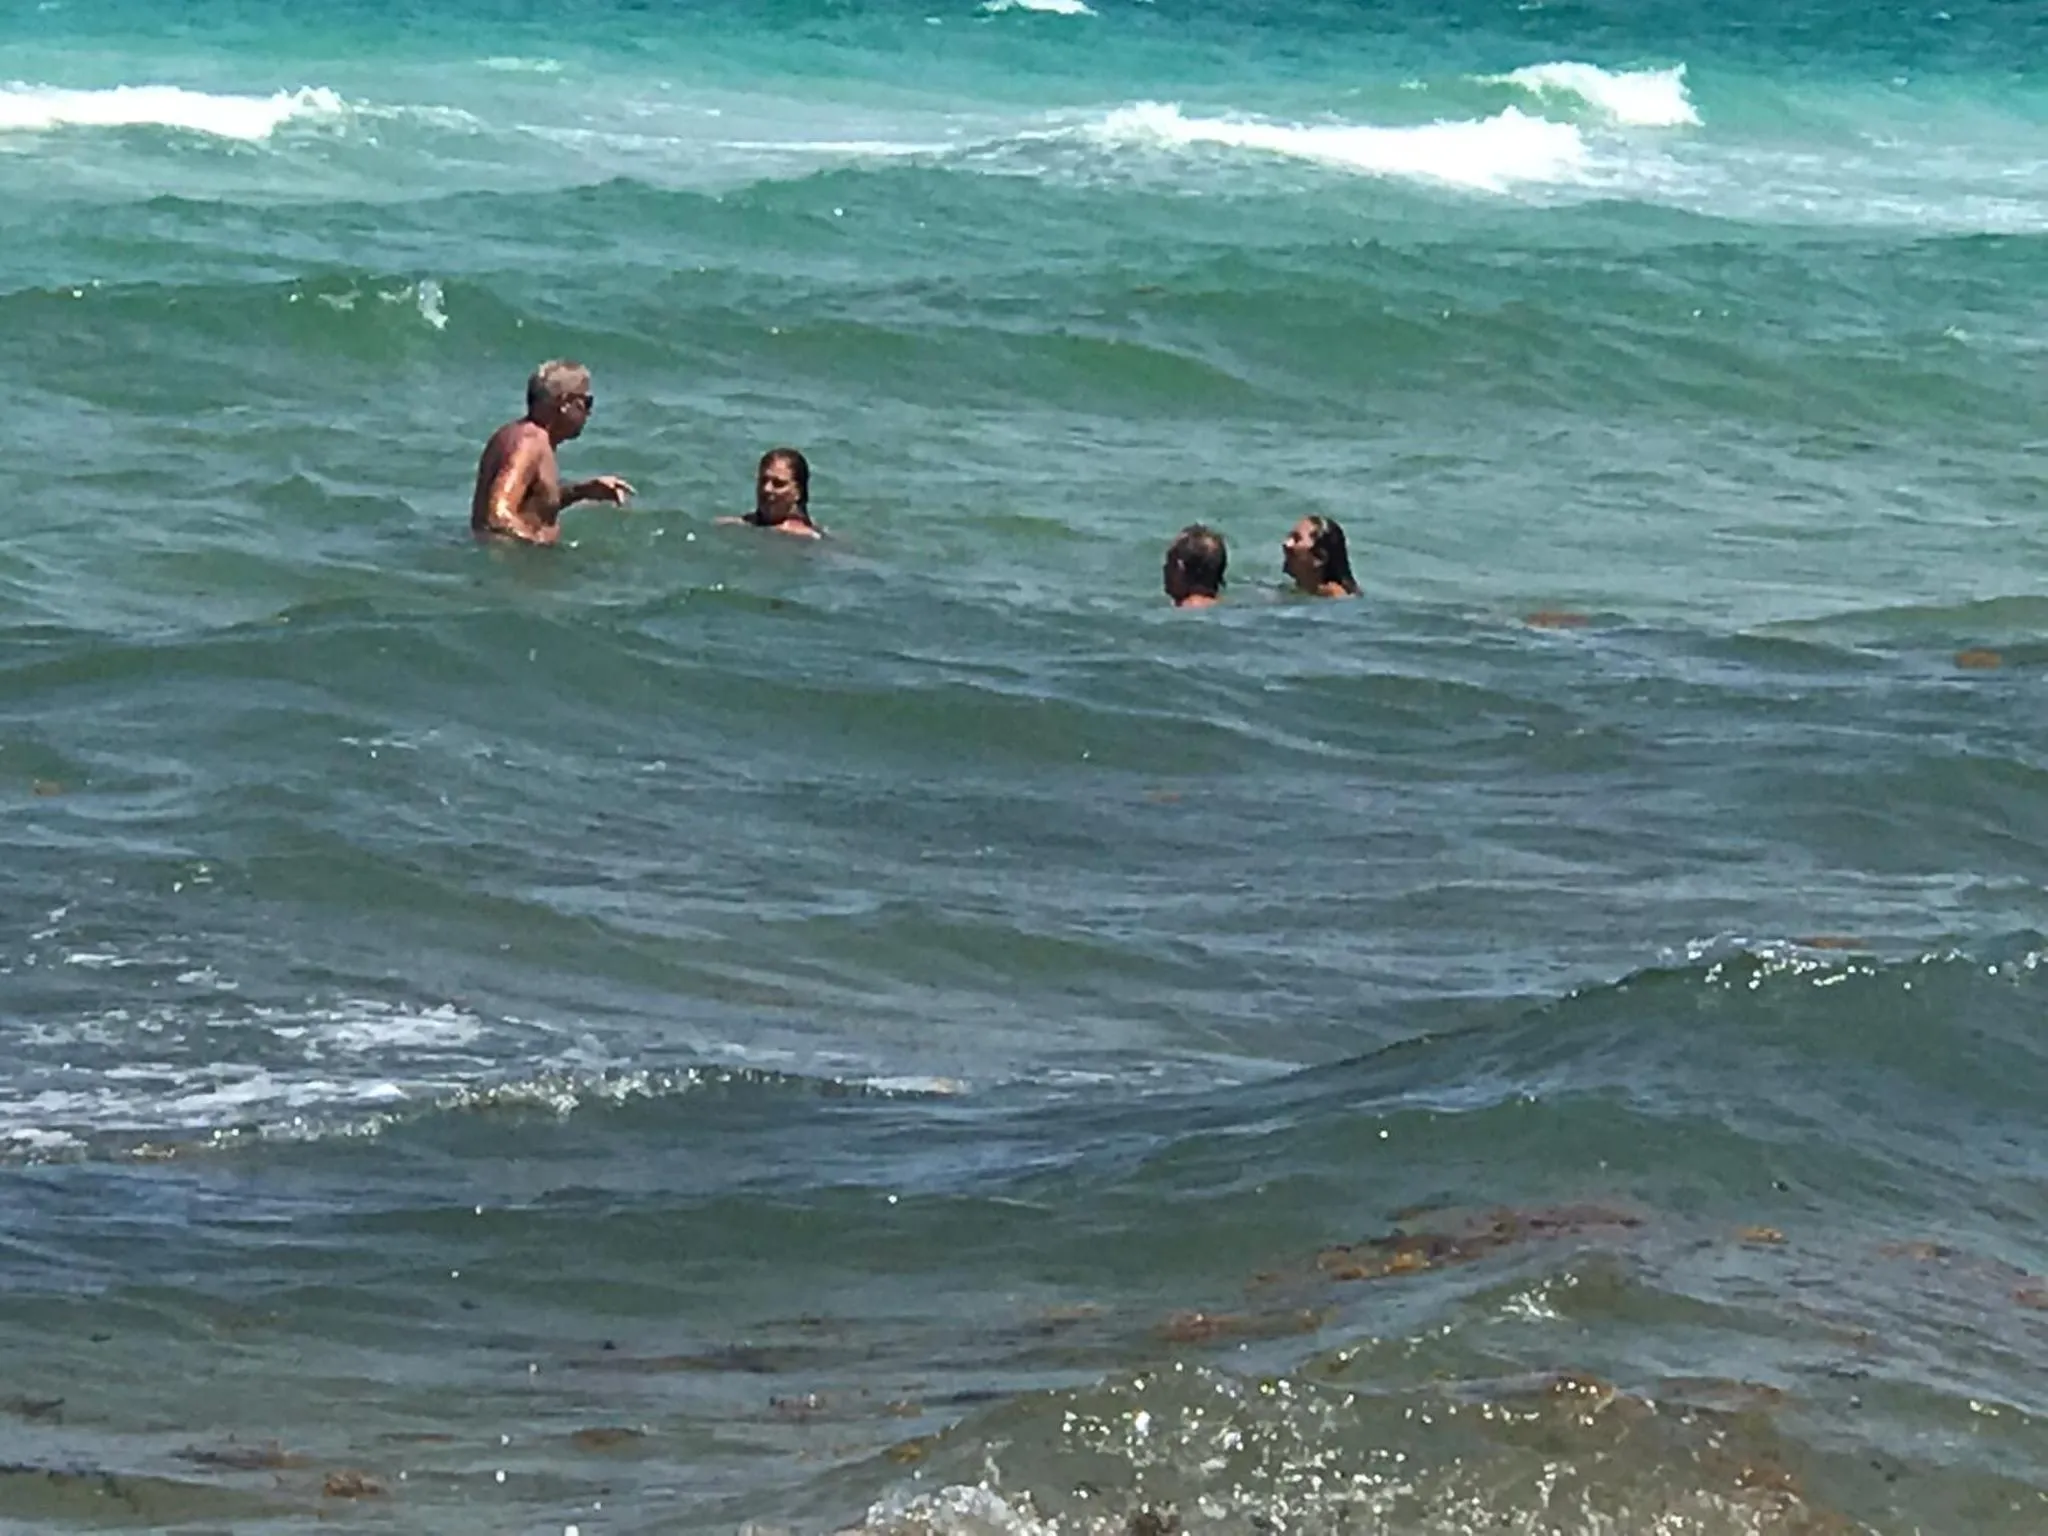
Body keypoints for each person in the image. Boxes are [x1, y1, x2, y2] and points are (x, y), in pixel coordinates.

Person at [471, 360, 634, 546]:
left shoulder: (531, 438)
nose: (589, 413)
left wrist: (582, 491)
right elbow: (497, 516)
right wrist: (538, 544)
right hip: (516, 565)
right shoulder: (529, 442)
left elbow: (533, 504)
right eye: (587, 403)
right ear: (565, 403)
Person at [720, 448, 821, 538]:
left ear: (798, 492)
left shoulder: (808, 537)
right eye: (763, 481)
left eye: (778, 484)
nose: (766, 489)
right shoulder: (730, 525)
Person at [1280, 515, 1360, 597]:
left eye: (1297, 539)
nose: (1286, 544)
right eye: (1290, 536)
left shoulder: (1335, 597)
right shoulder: (1298, 588)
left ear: (1319, 557)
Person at [1163, 524, 1226, 608]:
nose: (1165, 568)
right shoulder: (1228, 606)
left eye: (1169, 561)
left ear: (1181, 567)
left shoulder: (1179, 613)